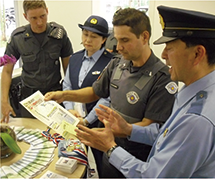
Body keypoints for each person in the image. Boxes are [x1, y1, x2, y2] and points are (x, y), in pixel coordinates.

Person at [73, 5, 215, 178]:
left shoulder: (197, 120)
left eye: (170, 47)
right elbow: (167, 134)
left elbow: (153, 176)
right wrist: (129, 129)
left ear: (197, 54)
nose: (163, 55)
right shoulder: (198, 91)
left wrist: (110, 148)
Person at [44, 8, 176, 178]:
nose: (118, 47)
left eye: (125, 40)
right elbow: (95, 92)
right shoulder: (118, 63)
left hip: (135, 161)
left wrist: (118, 130)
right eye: (117, 39)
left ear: (144, 37)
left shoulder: (162, 78)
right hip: (108, 152)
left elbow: (151, 127)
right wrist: (64, 95)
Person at [1, 0, 73, 122]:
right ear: (25, 17)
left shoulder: (59, 34)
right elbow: (7, 71)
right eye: (33, 18)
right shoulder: (17, 38)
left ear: (47, 11)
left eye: (42, 16)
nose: (39, 22)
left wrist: (71, 100)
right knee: (31, 135)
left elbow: (69, 70)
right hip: (30, 99)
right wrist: (3, 102)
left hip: (54, 96)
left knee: (56, 137)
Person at [62, 15, 113, 177]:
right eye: (85, 34)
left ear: (104, 39)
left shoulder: (112, 62)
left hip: (97, 123)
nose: (88, 39)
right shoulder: (75, 58)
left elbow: (107, 97)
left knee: (102, 164)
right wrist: (70, 110)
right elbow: (68, 86)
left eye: (94, 36)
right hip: (73, 120)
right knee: (74, 160)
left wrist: (87, 120)